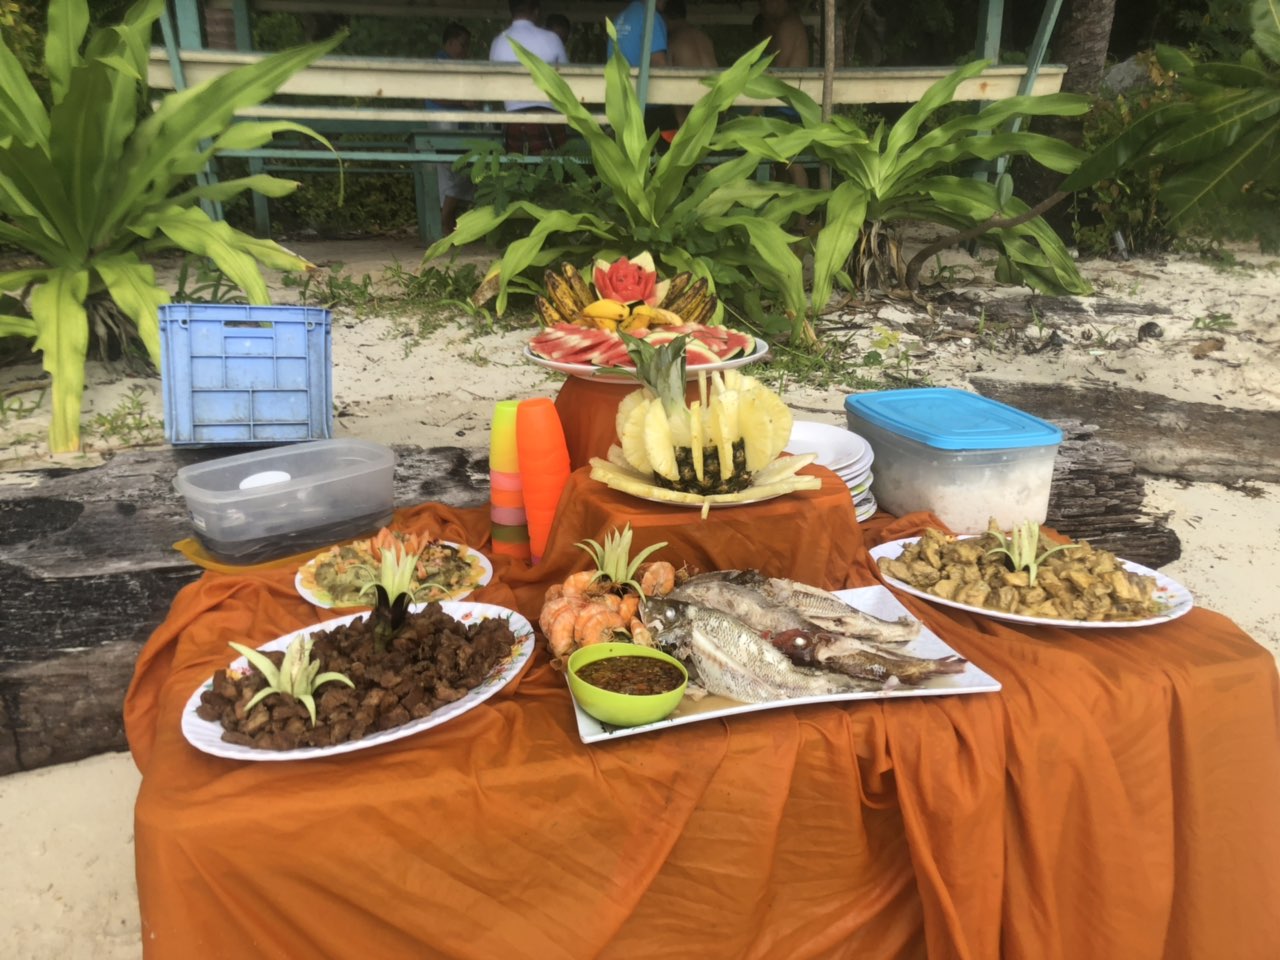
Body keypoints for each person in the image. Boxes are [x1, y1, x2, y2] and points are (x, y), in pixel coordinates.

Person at [490, 0, 570, 155]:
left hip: (513, 122)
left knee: (516, 168)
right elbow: (568, 83)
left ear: (511, 11)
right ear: (536, 11)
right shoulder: (552, 39)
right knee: (556, 167)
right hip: (548, 120)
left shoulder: (498, 42)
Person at [426, 23, 476, 233]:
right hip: (444, 127)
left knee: (453, 177)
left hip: (455, 127)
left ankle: (446, 224)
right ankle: (444, 221)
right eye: (463, 45)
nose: (465, 51)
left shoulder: (454, 66)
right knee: (463, 173)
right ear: (450, 42)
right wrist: (463, 102)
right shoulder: (440, 65)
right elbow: (436, 95)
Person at [758, 0, 810, 195]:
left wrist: (756, 108)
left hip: (786, 107)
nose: (762, 8)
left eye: (764, 3)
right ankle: (787, 209)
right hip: (786, 103)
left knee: (793, 163)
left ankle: (803, 213)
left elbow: (778, 70)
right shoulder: (791, 23)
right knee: (783, 163)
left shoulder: (788, 25)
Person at [663, 0, 716, 126]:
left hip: (692, 106)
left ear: (665, 17)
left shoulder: (673, 41)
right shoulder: (704, 38)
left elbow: (669, 83)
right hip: (714, 102)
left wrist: (681, 123)